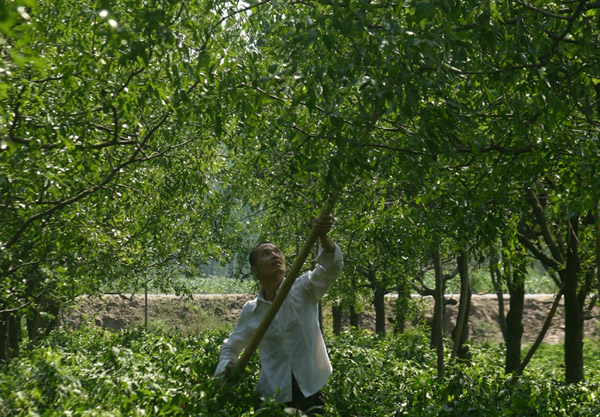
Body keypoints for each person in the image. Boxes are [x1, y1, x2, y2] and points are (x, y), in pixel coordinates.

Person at [213, 214, 343, 415]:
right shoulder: (252, 310)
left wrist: (324, 238)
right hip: (272, 397)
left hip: (309, 391)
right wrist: (228, 366)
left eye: (277, 252)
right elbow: (231, 348)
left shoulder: (303, 289)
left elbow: (331, 267)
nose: (274, 255)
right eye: (266, 254)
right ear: (254, 270)